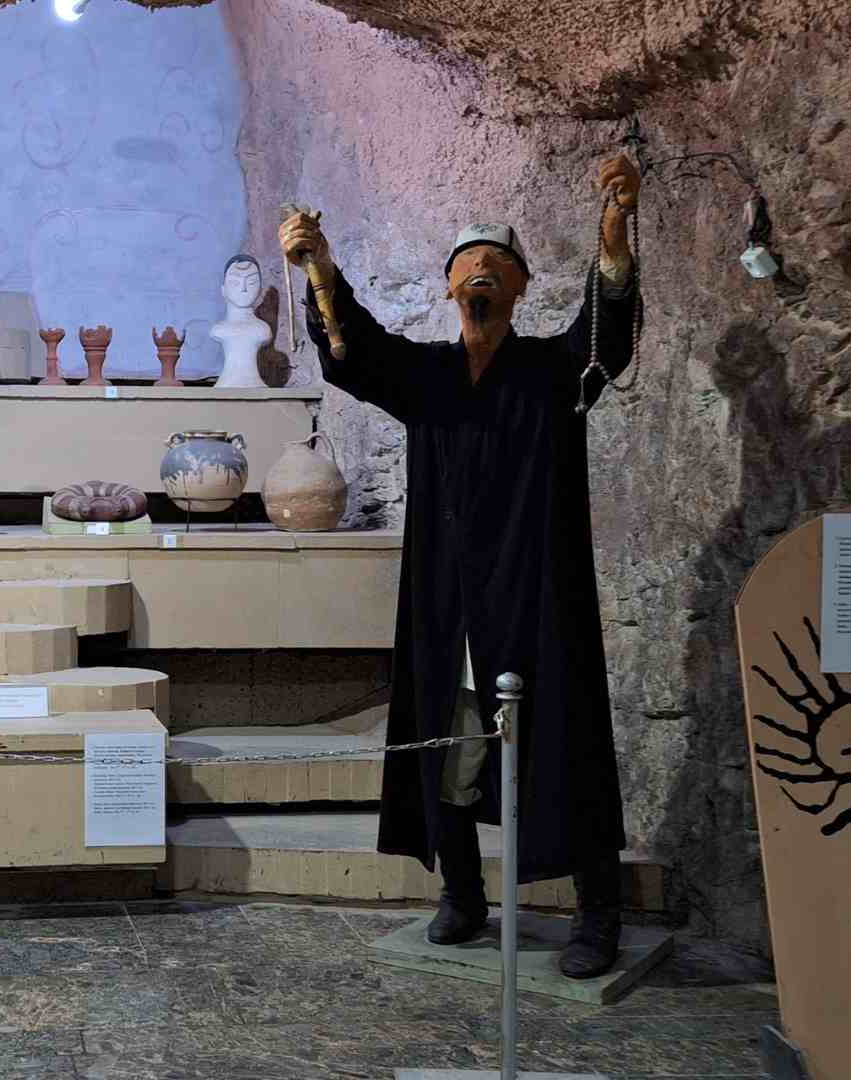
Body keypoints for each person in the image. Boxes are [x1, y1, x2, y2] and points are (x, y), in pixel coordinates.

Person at [279, 155, 643, 978]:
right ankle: (462, 895)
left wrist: (614, 237)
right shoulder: (429, 379)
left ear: (518, 290)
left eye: (497, 266)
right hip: (451, 599)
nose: (480, 274)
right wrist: (320, 268)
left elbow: (606, 337)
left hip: (537, 593)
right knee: (448, 743)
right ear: (449, 289)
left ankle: (598, 915)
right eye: (467, 266)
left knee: (567, 737)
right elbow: (355, 352)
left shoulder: (552, 373)